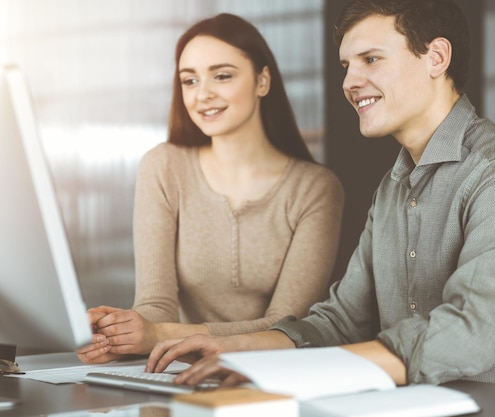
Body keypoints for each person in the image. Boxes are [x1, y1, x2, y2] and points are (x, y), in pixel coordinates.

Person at [143, 0, 495, 393]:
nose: (350, 82)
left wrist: (306, 371)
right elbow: (340, 321)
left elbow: (465, 335)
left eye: (371, 60)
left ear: (436, 57)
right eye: (346, 66)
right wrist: (231, 348)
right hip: (419, 401)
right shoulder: (394, 187)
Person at [76, 13, 344, 364]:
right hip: (178, 371)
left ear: (263, 81)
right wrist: (118, 337)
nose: (203, 94)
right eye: (189, 81)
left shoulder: (315, 189)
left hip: (269, 374)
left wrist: (158, 335)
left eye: (222, 76)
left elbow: (286, 327)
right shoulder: (164, 166)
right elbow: (155, 305)